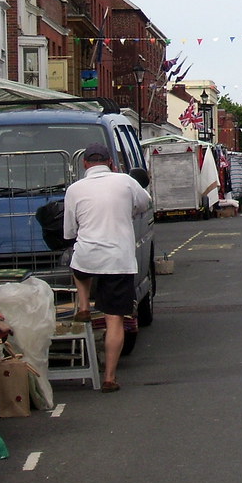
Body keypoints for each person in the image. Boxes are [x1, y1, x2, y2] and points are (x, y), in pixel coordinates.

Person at [63, 142, 152, 393]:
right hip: (118, 260)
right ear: (110, 163)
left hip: (88, 256)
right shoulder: (125, 181)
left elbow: (69, 230)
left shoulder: (74, 189)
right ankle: (110, 377)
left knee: (77, 265)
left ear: (84, 164)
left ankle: (83, 306)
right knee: (114, 320)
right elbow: (144, 203)